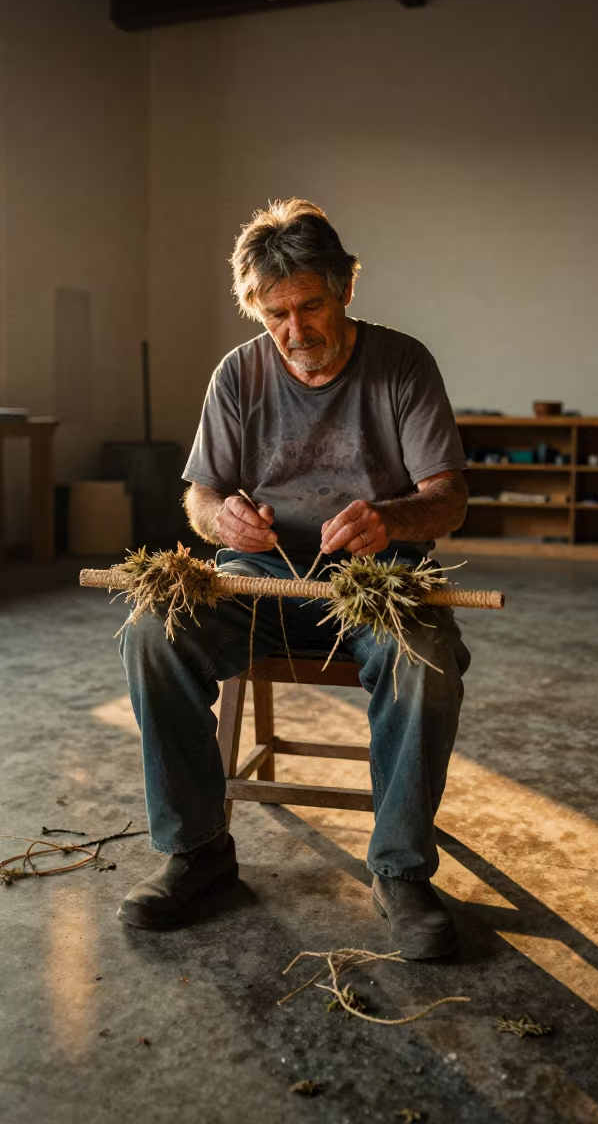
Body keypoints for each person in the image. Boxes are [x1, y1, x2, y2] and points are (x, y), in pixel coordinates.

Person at [118, 199, 470, 959]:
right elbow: (202, 494)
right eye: (275, 313)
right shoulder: (238, 373)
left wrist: (390, 520)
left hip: (380, 579)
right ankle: (200, 853)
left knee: (426, 657)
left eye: (310, 304)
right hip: (261, 579)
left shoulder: (402, 364)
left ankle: (401, 871)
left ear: (345, 287)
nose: (296, 331)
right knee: (155, 633)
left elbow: (451, 499)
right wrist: (221, 524)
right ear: (256, 309)